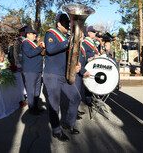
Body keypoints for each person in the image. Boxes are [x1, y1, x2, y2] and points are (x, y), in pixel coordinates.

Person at [43, 13, 81, 142]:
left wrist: (77, 64)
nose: (68, 25)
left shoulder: (65, 37)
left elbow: (70, 55)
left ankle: (69, 123)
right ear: (58, 23)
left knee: (76, 97)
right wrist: (68, 42)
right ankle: (56, 130)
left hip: (64, 74)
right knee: (54, 104)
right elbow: (51, 49)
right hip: (52, 74)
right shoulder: (51, 34)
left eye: (68, 22)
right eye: (65, 22)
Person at [22, 26, 45, 115]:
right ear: (28, 34)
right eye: (33, 33)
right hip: (30, 70)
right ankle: (31, 109)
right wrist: (40, 47)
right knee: (31, 90)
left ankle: (35, 106)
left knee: (37, 90)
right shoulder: (25, 43)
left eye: (35, 33)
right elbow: (30, 53)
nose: (35, 35)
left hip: (37, 70)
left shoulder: (34, 42)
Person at [81, 26, 100, 106]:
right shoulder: (85, 43)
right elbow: (85, 55)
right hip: (88, 65)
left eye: (95, 32)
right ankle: (88, 100)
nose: (95, 33)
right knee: (88, 84)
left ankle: (91, 98)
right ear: (88, 32)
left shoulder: (92, 42)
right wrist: (91, 57)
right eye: (93, 32)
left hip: (93, 65)